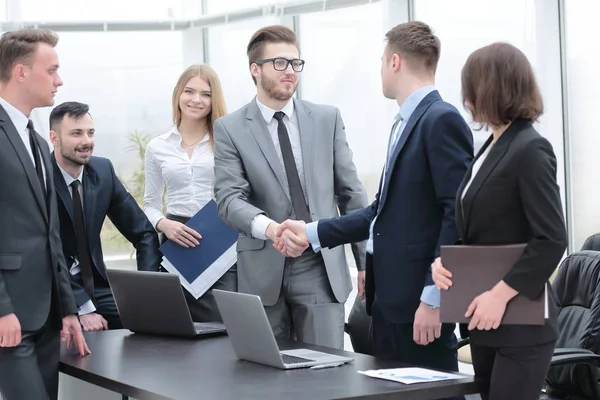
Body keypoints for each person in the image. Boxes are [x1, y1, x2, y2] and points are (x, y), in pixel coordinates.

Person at [275, 21, 473, 378]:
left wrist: (434, 298)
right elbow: (379, 213)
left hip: (419, 305)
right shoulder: (405, 122)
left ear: (395, 62)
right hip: (391, 304)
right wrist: (311, 232)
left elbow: (455, 216)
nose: (381, 70)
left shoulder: (440, 119)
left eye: (382, 61)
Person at [213, 25, 368, 349]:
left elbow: (351, 194)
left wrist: (367, 265)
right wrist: (272, 230)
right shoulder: (230, 128)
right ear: (255, 69)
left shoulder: (327, 118)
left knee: (327, 375)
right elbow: (228, 198)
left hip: (320, 265)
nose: (290, 71)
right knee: (265, 378)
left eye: (296, 63)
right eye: (279, 63)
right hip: (262, 267)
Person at [432, 42, 568, 400]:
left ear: (490, 88)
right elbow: (483, 229)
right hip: (485, 321)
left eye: (470, 86)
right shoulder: (491, 147)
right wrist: (446, 262)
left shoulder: (530, 149)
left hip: (521, 325)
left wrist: (499, 295)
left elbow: (551, 239)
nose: (465, 97)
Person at [0, 28, 89, 400]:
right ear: (21, 72)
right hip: (10, 315)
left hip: (48, 314)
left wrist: (68, 309)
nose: (60, 80)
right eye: (51, 70)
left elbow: (50, 233)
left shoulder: (37, 141)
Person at [49, 101, 162, 332]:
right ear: (54, 138)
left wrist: (146, 289)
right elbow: (43, 253)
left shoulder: (102, 172)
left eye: (90, 133)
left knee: (151, 321)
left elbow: (143, 232)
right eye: (76, 133)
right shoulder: (39, 177)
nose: (86, 141)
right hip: (50, 289)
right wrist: (83, 307)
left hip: (97, 286)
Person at [143, 64, 236, 322]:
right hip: (177, 240)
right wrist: (164, 225)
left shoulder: (227, 142)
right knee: (179, 323)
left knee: (222, 321)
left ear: (214, 99)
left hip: (220, 240)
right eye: (189, 91)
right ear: (178, 95)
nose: (196, 100)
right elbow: (150, 203)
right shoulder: (157, 147)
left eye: (205, 94)